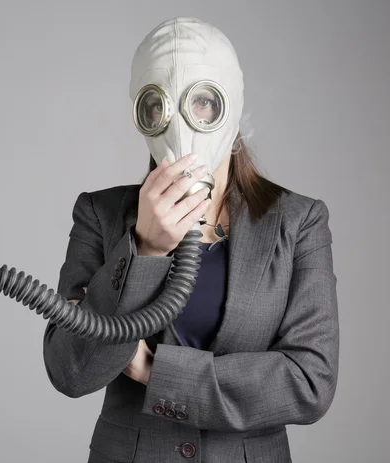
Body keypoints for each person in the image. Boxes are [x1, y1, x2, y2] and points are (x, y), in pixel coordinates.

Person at [43, 16, 338, 463]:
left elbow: (309, 382)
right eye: (158, 105)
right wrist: (146, 247)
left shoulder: (298, 222)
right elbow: (71, 371)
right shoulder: (100, 216)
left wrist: (155, 373)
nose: (183, 123)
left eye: (204, 102)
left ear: (232, 108)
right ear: (142, 114)